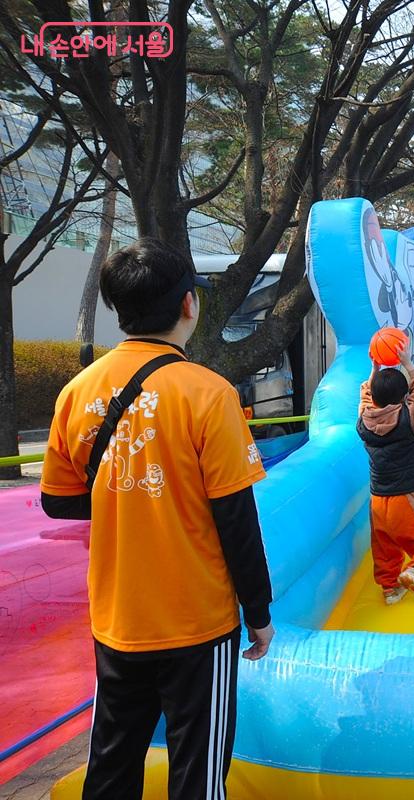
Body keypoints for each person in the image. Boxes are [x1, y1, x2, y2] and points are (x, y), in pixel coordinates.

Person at [39, 237, 274, 799]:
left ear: (119, 310)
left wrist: (129, 495)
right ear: (189, 304)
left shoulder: (78, 391)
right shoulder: (208, 394)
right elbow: (235, 519)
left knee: (111, 767)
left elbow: (57, 500)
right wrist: (259, 612)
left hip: (118, 618)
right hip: (197, 623)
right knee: (198, 775)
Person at [359, 342, 414, 604]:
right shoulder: (409, 418)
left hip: (377, 500)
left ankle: (390, 589)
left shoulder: (364, 420)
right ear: (404, 397)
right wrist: (406, 363)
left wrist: (375, 369)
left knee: (384, 547)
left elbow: (364, 395)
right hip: (405, 498)